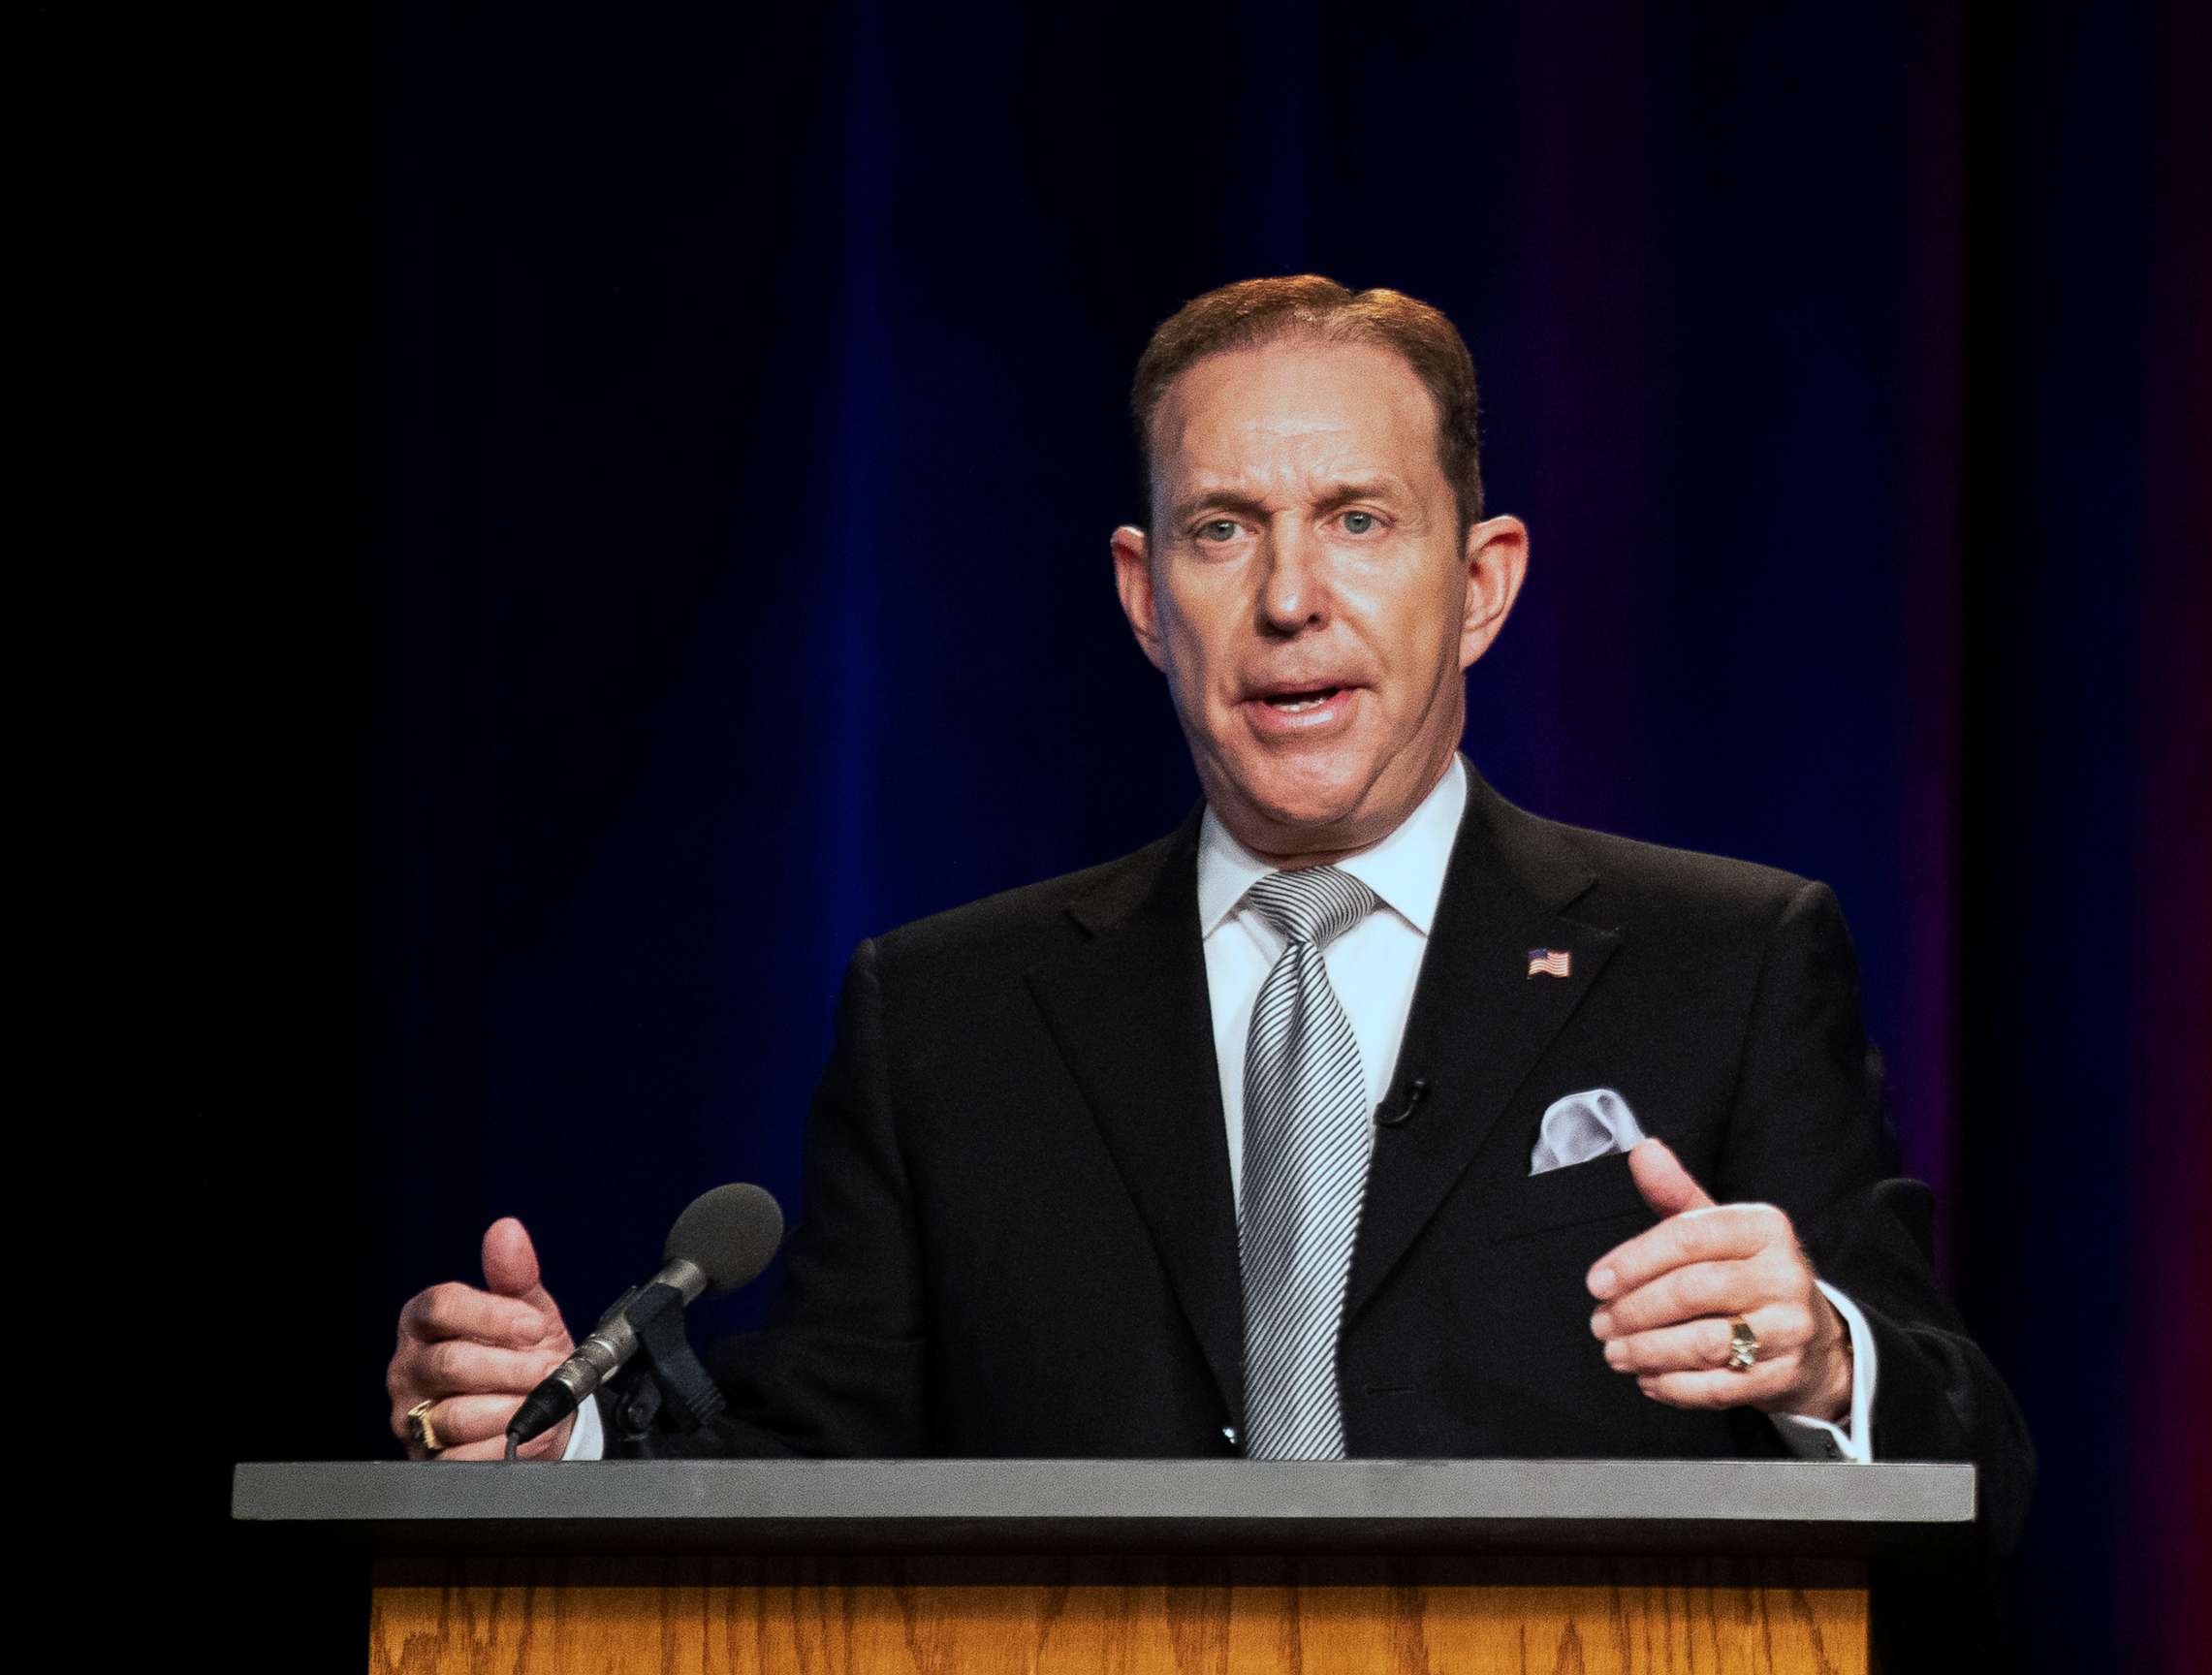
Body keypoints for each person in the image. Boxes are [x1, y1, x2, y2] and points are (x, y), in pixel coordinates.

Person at [386, 275, 2031, 1551]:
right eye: (1222, 529)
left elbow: (1976, 1467)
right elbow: (824, 1464)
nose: (1291, 597)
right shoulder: (948, 1012)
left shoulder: (1724, 961)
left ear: (1484, 584)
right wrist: (565, 1440)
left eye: (1360, 521)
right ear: (1140, 595)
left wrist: (1824, 1360)